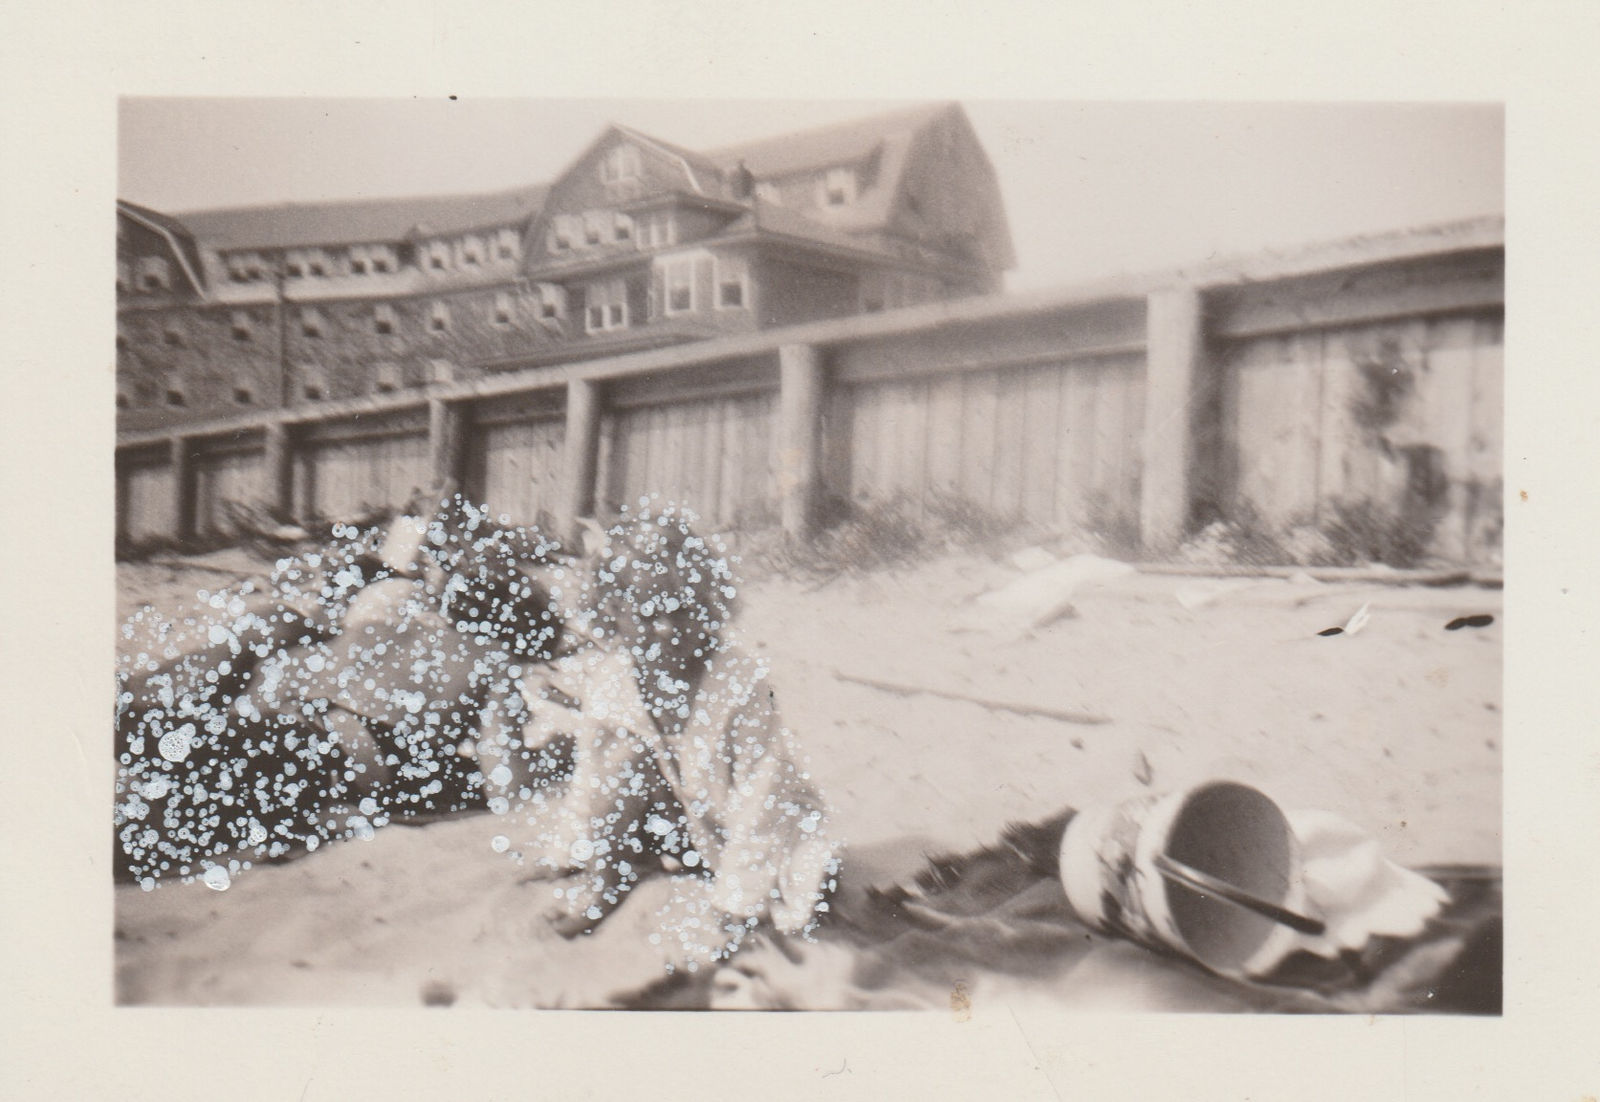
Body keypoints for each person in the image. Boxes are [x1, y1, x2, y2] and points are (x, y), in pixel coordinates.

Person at [479, 501, 840, 967]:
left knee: (810, 886)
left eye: (684, 611)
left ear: (710, 607)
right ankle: (607, 880)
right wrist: (568, 849)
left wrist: (734, 906)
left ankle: (745, 897)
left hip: (759, 826)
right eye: (648, 615)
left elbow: (761, 796)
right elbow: (592, 778)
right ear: (614, 614)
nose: (668, 630)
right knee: (621, 755)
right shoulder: (613, 680)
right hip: (684, 822)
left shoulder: (740, 680)